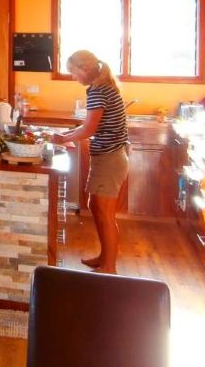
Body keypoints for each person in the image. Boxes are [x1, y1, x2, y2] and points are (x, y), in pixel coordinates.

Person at [49, 50, 129, 274]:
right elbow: (88, 127)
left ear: (85, 69)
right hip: (107, 157)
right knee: (95, 206)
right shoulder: (103, 87)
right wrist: (66, 135)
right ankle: (104, 257)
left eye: (74, 72)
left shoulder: (97, 91)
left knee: (105, 214)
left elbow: (88, 129)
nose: (74, 77)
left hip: (110, 159)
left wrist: (63, 138)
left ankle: (109, 267)